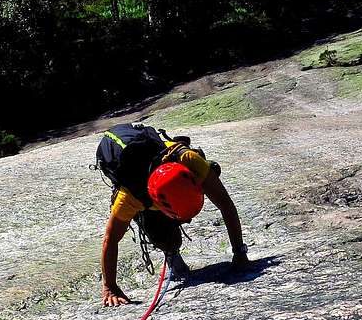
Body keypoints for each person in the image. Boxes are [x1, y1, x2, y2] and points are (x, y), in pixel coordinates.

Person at [96, 123, 248, 307]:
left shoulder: (189, 160)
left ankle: (172, 243)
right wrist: (109, 287)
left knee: (210, 176)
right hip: (139, 184)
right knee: (161, 235)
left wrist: (239, 251)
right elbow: (110, 239)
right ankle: (171, 253)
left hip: (171, 166)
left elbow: (225, 204)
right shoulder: (131, 196)